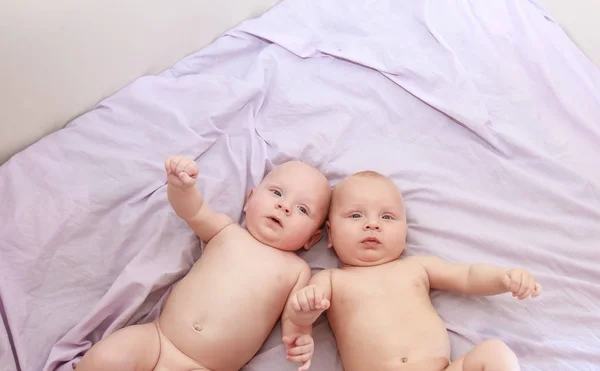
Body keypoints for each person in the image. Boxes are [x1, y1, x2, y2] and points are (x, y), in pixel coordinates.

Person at [77, 156, 331, 371]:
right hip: (157, 339)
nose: (284, 206)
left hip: (204, 367)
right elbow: (194, 211)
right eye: (276, 193)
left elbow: (293, 322)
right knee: (106, 358)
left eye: (302, 209)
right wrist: (182, 188)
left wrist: (303, 327)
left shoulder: (297, 270)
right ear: (250, 200)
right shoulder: (226, 231)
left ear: (312, 238)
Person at [284, 170, 542, 371]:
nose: (372, 224)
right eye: (355, 216)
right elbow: (301, 316)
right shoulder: (330, 279)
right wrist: (305, 308)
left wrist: (503, 278)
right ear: (330, 233)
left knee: (495, 352)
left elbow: (467, 276)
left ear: (405, 232)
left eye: (387, 217)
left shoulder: (417, 267)